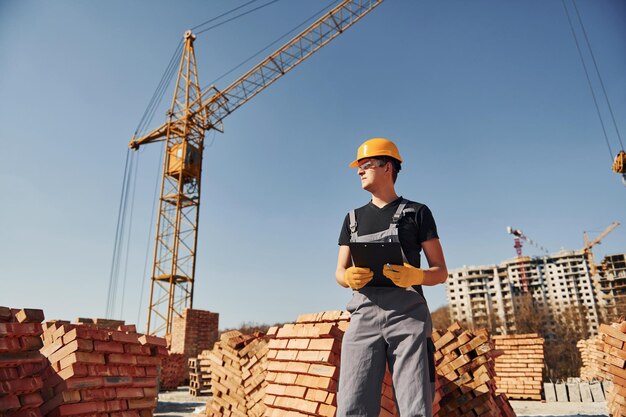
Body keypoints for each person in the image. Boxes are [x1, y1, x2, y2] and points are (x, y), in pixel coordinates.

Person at [335, 137, 448, 417]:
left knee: (414, 405)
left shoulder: (418, 213)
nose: (359, 171)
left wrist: (416, 274)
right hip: (363, 316)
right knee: (352, 404)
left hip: (408, 316)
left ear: (388, 167)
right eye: (358, 167)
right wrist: (349, 277)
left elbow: (441, 272)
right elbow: (339, 272)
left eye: (366, 164)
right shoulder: (352, 219)